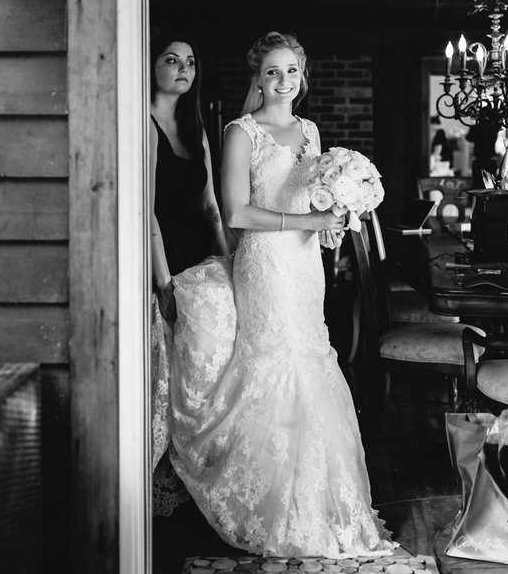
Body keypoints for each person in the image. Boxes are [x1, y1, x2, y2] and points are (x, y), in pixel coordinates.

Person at [168, 31, 396, 558]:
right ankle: (271, 507)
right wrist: (309, 218)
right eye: (273, 71)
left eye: (292, 71)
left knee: (313, 361)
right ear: (258, 78)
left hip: (304, 265)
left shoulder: (310, 131)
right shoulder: (240, 133)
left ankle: (320, 505)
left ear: (302, 77)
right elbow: (236, 214)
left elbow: (313, 198)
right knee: (276, 364)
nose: (283, 81)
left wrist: (334, 219)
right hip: (265, 266)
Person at [149, 29, 229, 323]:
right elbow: (147, 210)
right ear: (150, 66)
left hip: (199, 254)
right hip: (162, 256)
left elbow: (209, 203)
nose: (184, 68)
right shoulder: (144, 124)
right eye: (172, 60)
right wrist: (163, 282)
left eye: (191, 62)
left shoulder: (195, 127)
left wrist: (225, 257)